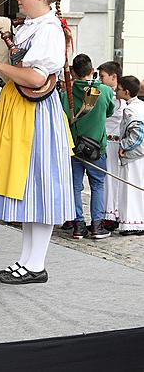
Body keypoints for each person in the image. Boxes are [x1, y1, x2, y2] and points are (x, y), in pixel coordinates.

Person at [0, 0, 75, 284]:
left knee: (40, 187)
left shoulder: (50, 30)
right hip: (22, 109)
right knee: (29, 189)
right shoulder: (32, 28)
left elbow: (36, 79)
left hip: (37, 116)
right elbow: (19, 72)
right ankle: (26, 260)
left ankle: (36, 264)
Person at [60, 54, 115, 240]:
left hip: (74, 147)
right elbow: (110, 111)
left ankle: (78, 226)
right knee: (97, 186)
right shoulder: (105, 91)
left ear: (73, 72)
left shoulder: (65, 93)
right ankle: (97, 226)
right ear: (92, 71)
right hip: (96, 146)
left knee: (75, 186)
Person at [115, 75, 144, 235]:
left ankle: (131, 224)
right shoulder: (141, 105)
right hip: (141, 156)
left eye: (119, 89)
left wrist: (124, 146)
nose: (116, 91)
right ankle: (139, 222)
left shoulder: (130, 109)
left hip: (133, 156)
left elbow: (137, 132)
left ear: (126, 92)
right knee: (138, 189)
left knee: (129, 189)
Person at [97, 61, 124, 229]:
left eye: (102, 77)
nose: (100, 80)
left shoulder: (117, 96)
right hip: (106, 141)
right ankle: (108, 213)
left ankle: (112, 214)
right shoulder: (103, 93)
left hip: (114, 142)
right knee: (106, 179)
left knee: (113, 180)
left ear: (114, 77)